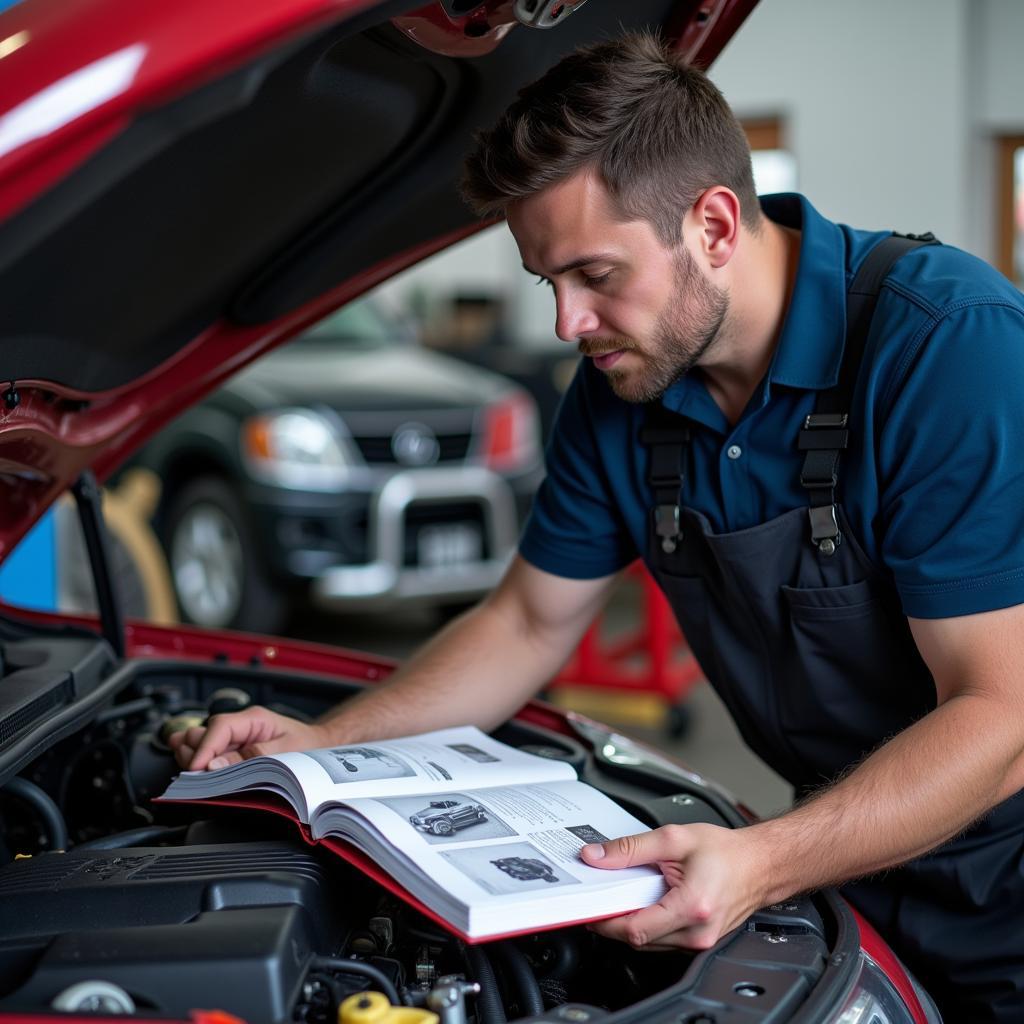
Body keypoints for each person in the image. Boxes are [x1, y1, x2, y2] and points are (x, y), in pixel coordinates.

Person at [170, 33, 1024, 1021]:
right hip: (848, 858)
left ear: (711, 225)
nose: (568, 324)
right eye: (548, 284)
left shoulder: (947, 349)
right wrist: (324, 746)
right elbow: (528, 620)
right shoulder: (621, 390)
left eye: (596, 275)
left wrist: (761, 860)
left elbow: (1000, 716)